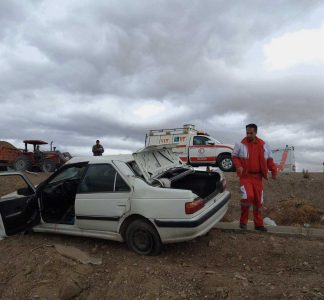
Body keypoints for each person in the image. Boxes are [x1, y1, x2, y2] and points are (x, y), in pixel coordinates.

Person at [232, 124, 277, 232]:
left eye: (251, 133)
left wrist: (274, 170)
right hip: (245, 177)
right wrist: (238, 166)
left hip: (258, 177)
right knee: (248, 197)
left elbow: (270, 160)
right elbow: (234, 156)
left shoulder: (264, 145)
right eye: (247, 132)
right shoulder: (240, 144)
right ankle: (243, 222)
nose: (248, 135)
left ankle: (258, 224)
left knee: (258, 201)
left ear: (256, 132)